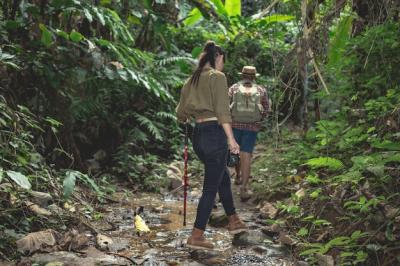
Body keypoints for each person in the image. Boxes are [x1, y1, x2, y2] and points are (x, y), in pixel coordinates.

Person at [176, 41, 247, 250]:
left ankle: (233, 220)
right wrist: (231, 139)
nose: (223, 65)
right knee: (210, 188)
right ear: (218, 58)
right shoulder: (217, 77)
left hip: (198, 136)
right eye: (223, 61)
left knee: (221, 177)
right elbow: (223, 111)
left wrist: (195, 114)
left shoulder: (191, 80)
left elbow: (180, 114)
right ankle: (197, 235)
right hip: (215, 134)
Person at [228, 66, 269, 202]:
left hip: (235, 126)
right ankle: (244, 188)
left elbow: (226, 105)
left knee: (235, 152)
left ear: (242, 75)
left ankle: (238, 175)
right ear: (254, 77)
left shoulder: (233, 88)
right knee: (246, 155)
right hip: (251, 128)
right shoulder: (261, 90)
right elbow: (266, 109)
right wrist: (259, 120)